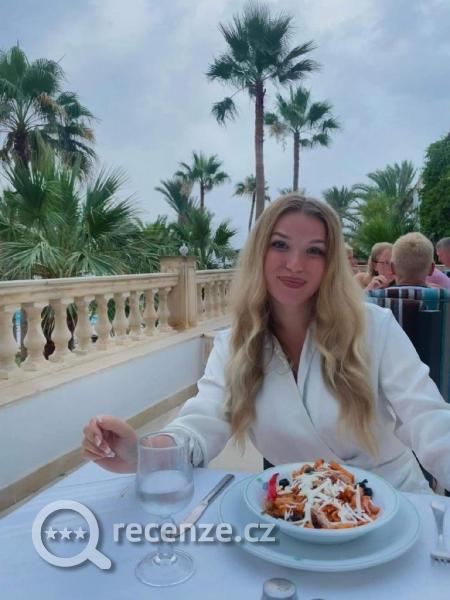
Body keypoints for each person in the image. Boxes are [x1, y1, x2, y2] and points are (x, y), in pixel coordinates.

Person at [82, 194, 450, 493]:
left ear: (330, 263)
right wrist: (142, 454)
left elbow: (428, 418)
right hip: (299, 517)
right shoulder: (235, 346)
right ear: (259, 252)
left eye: (314, 251)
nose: (295, 264)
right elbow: (199, 425)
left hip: (394, 505)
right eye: (280, 245)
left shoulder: (375, 328)